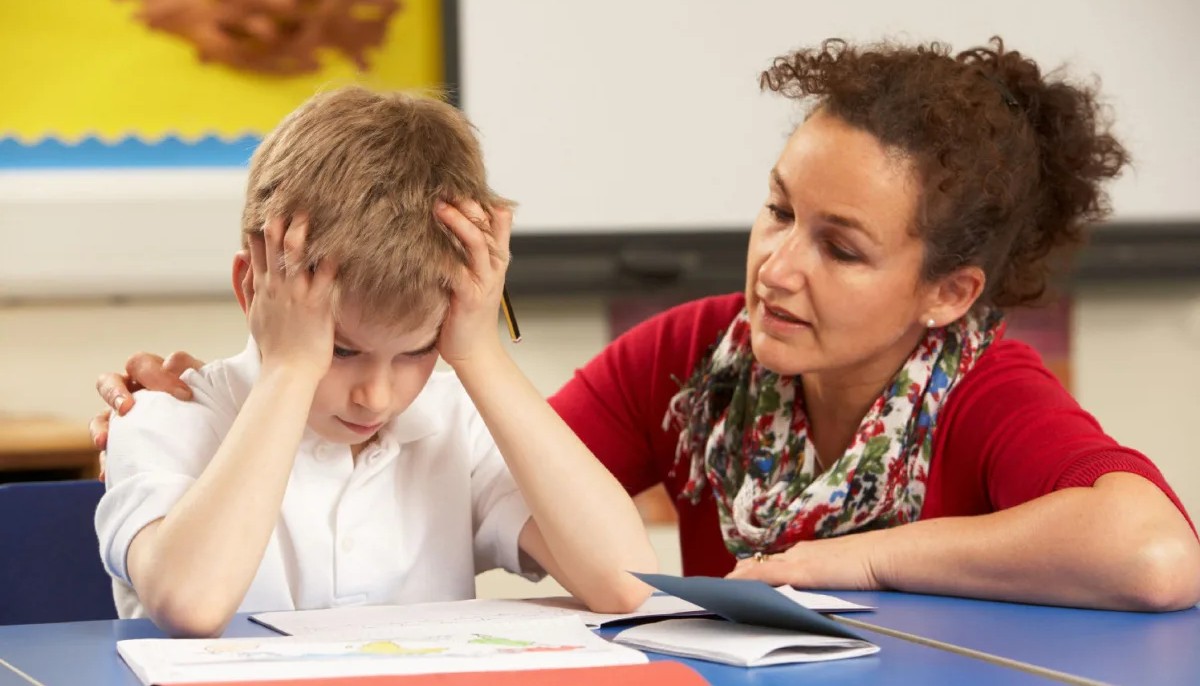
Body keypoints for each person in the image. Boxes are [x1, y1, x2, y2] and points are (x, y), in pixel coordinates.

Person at [93, 38, 1200, 612]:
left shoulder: (983, 388)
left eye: (841, 246)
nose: (777, 265)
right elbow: (530, 475)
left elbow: (1152, 549)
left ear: (947, 291)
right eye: (776, 211)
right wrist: (280, 378)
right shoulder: (691, 358)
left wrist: (847, 562)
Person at [92, 86, 656, 638]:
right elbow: (191, 604)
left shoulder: (457, 424)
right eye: (340, 350)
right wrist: (291, 369)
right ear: (253, 289)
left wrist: (479, 352)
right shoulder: (163, 415)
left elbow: (628, 584)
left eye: (417, 351)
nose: (376, 396)